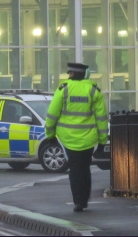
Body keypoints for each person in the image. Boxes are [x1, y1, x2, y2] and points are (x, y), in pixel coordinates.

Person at [45, 62, 108, 212]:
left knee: (75, 170)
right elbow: (101, 119)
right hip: (88, 139)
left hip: (69, 139)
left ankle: (78, 202)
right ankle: (84, 199)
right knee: (85, 169)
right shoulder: (94, 91)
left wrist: (50, 135)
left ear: (72, 74)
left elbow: (52, 114)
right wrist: (102, 141)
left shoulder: (63, 90)